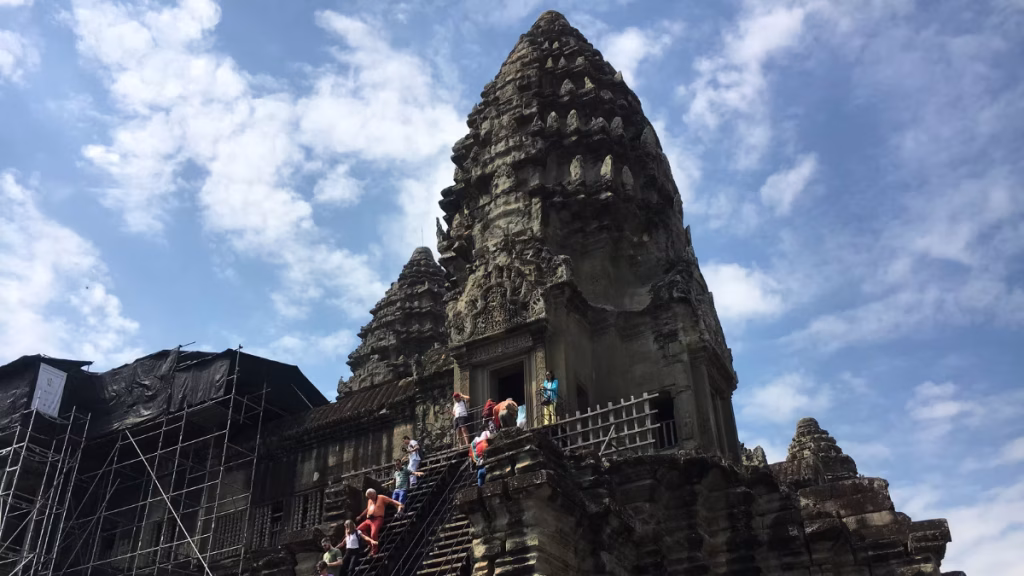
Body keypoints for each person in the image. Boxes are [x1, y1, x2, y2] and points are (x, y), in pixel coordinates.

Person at [356, 488, 402, 555]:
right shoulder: (370, 501)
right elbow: (367, 509)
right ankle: (370, 544)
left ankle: (374, 550)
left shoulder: (381, 497)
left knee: (373, 533)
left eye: (371, 496)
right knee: (358, 530)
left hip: (377, 519)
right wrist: (360, 516)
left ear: (374, 494)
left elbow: (391, 501)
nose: (370, 498)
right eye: (369, 497)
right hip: (368, 519)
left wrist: (399, 504)